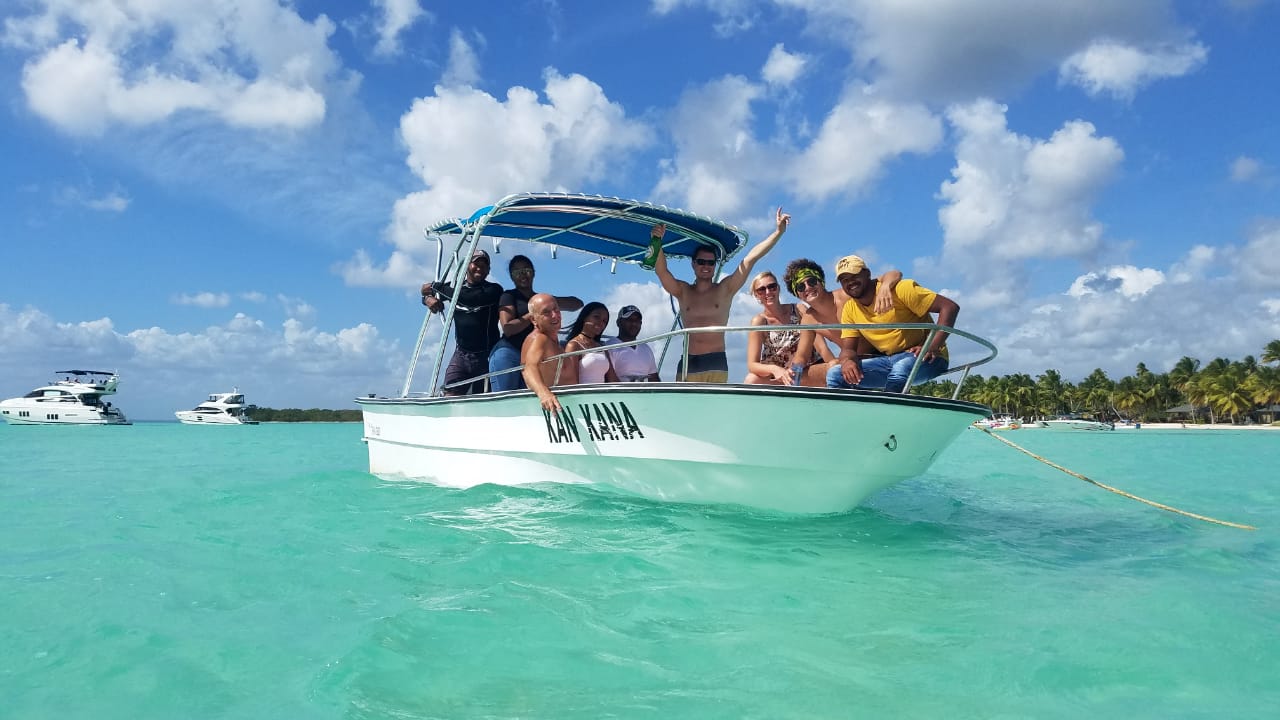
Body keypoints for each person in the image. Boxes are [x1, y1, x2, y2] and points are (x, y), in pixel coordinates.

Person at [653, 207, 790, 382]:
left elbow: (750, 259)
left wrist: (778, 232)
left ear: (715, 265)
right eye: (701, 261)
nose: (706, 266)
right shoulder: (683, 291)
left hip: (716, 361)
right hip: (689, 361)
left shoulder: (725, 290)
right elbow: (662, 272)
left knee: (714, 409)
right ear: (693, 264)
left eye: (711, 262)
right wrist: (657, 240)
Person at [826, 255, 959, 393]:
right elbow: (848, 349)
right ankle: (847, 413)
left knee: (901, 367)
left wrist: (932, 346)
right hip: (889, 361)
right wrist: (847, 361)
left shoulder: (900, 289)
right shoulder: (849, 308)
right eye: (844, 280)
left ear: (867, 273)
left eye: (854, 275)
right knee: (835, 374)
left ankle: (890, 410)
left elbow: (949, 307)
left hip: (929, 358)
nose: (850, 282)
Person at [490, 255, 583, 391]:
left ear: (533, 272)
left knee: (530, 396)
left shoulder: (542, 300)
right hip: (509, 351)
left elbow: (577, 304)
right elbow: (508, 328)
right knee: (507, 395)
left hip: (534, 351)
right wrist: (533, 313)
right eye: (517, 272)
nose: (522, 275)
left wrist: (547, 304)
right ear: (511, 276)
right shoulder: (508, 296)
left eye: (526, 270)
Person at [420, 249, 504, 395]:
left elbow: (470, 298)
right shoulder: (454, 288)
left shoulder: (494, 290)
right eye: (476, 263)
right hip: (461, 354)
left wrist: (434, 286)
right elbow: (426, 293)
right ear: (466, 266)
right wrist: (427, 299)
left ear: (488, 270)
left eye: (485, 265)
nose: (480, 267)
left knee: (482, 399)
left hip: (487, 356)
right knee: (449, 395)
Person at [743, 270, 830, 386]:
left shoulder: (799, 310)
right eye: (761, 290)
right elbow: (752, 365)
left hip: (807, 371)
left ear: (778, 288)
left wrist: (833, 364)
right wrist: (775, 370)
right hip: (779, 378)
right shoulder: (759, 322)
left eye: (772, 287)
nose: (768, 292)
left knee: (832, 369)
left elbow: (821, 346)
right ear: (756, 295)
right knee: (751, 380)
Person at [521, 293, 566, 412]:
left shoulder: (554, 341)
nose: (554, 315)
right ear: (533, 319)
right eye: (546, 312)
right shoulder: (540, 339)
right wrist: (544, 394)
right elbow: (529, 368)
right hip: (555, 408)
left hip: (567, 405)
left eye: (556, 309)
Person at [561, 301, 617, 385]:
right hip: (584, 396)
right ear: (584, 317)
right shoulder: (574, 345)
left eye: (604, 321)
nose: (601, 323)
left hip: (602, 396)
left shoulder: (602, 347)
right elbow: (572, 382)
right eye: (596, 317)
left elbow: (613, 379)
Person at [607, 305, 660, 382]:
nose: (634, 324)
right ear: (618, 322)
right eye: (629, 320)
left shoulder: (646, 349)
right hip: (620, 393)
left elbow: (654, 379)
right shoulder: (609, 347)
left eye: (637, 321)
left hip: (644, 393)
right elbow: (609, 380)